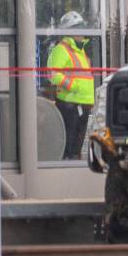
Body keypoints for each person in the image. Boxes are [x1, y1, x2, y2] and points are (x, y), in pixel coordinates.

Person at [47, 11, 94, 160]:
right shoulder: (61, 49)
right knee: (69, 146)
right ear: (70, 31)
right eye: (78, 28)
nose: (82, 33)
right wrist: (73, 86)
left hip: (82, 104)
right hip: (69, 104)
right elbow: (53, 74)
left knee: (77, 148)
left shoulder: (81, 52)